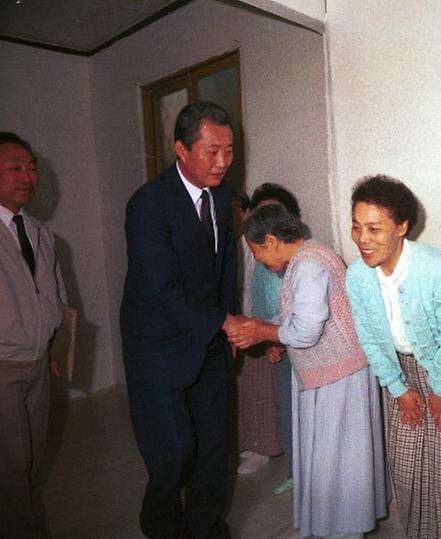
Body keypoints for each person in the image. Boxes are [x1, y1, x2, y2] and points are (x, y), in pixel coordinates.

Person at [227, 203, 387, 538]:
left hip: (338, 376)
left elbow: (305, 331)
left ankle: (344, 531)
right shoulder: (308, 256)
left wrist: (261, 332)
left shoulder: (308, 265)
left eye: (255, 251)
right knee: (335, 460)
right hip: (333, 373)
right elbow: (296, 318)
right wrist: (259, 325)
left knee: (337, 463)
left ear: (271, 240)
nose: (257, 260)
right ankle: (337, 528)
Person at [345, 175, 441, 539]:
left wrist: (440, 390)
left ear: (401, 227)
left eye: (375, 229)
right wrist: (397, 388)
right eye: (357, 226)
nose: (363, 239)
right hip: (400, 376)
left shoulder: (437, 268)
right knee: (410, 474)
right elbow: (369, 336)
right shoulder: (357, 277)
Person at [120, 101, 239, 538]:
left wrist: (224, 323)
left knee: (212, 451)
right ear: (181, 149)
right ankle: (161, 528)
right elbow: (161, 289)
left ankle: (206, 529)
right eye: (212, 150)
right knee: (172, 454)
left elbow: (226, 267)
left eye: (229, 150)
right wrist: (225, 324)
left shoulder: (223, 197)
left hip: (208, 342)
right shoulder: (148, 204)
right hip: (159, 347)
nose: (223, 161)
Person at [0, 132, 66, 537]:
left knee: (28, 461)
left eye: (31, 168)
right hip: (3, 366)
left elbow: (56, 291)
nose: (27, 176)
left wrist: (56, 344)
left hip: (38, 363)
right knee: (10, 468)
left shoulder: (40, 232)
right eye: (14, 168)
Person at [234, 183, 299, 486]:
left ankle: (302, 472)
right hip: (269, 338)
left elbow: (301, 312)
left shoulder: (297, 262)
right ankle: (292, 470)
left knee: (299, 412)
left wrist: (275, 338)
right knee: (282, 411)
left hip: (291, 344)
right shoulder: (261, 262)